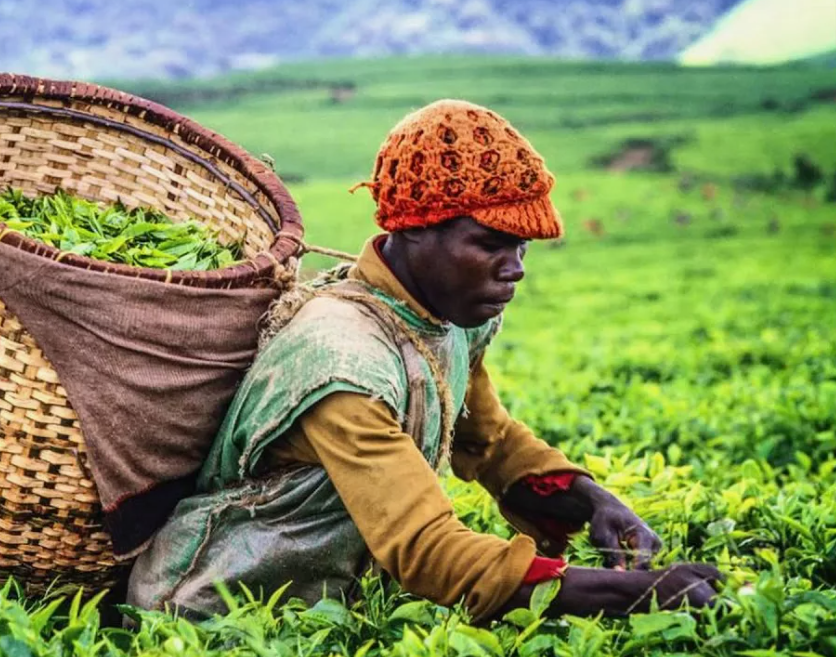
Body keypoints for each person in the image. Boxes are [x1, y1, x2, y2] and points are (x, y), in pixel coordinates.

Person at [126, 99, 722, 622]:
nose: (515, 267)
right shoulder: (340, 364)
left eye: (521, 246)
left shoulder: (448, 317)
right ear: (412, 231)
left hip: (334, 605)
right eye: (491, 243)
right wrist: (639, 595)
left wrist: (596, 502)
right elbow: (427, 550)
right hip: (218, 617)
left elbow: (487, 440)